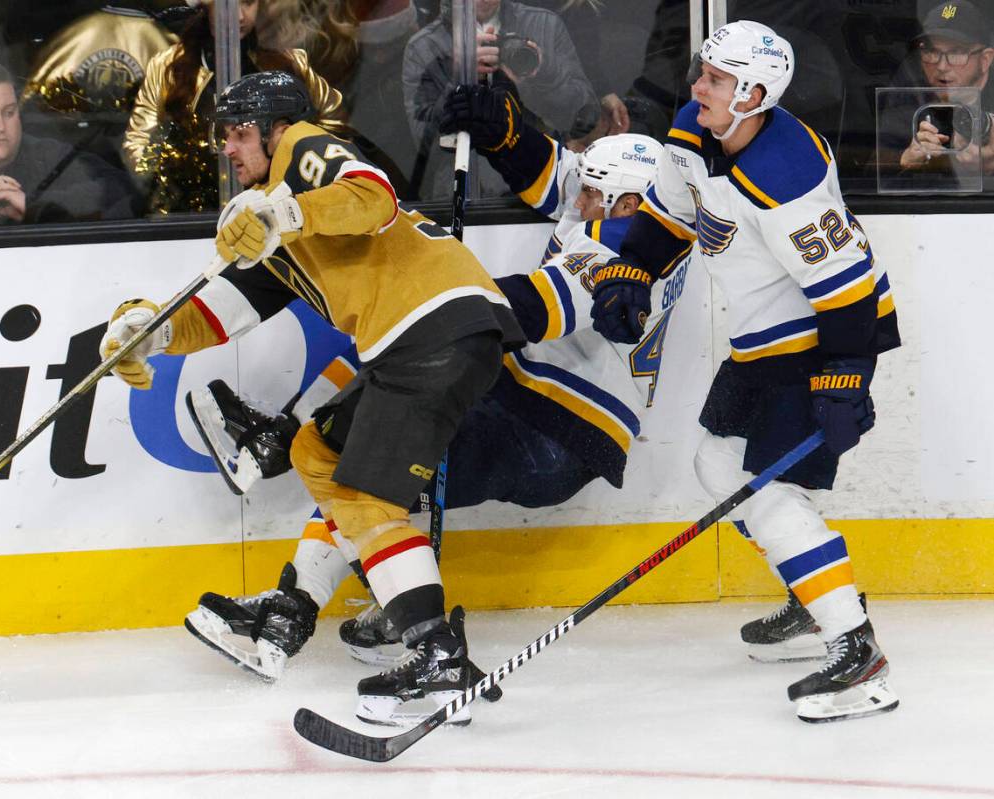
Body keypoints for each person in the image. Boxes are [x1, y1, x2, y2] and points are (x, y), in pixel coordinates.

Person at [182, 113, 682, 679]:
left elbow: (533, 309)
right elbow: (559, 177)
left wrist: (442, 286)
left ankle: (348, 617)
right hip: (542, 415)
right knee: (350, 461)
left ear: (626, 205)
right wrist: (501, 121)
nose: (580, 200)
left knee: (363, 463)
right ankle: (329, 606)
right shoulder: (629, 216)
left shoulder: (617, 247)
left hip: (550, 429)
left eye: (595, 194)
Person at [99, 70, 524, 726]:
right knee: (318, 449)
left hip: (430, 326)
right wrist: (146, 333)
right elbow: (219, 313)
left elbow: (371, 196)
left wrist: (284, 210)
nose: (229, 148)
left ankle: (435, 653)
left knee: (364, 498)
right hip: (432, 338)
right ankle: (334, 621)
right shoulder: (265, 221)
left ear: (275, 128)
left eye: (241, 133)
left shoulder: (302, 148)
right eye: (224, 137)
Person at [591, 21, 902, 723]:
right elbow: (672, 214)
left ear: (753, 93)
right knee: (717, 464)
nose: (696, 86)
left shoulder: (784, 176)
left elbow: (846, 286)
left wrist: (846, 374)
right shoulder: (695, 133)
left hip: (823, 339)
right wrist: (632, 267)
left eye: (714, 79)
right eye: (701, 71)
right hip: (761, 337)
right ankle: (812, 594)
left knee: (757, 485)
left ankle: (859, 654)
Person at [122, 0, 344, 212]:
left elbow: (333, 124)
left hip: (281, 207)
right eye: (224, 4)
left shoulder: (289, 63)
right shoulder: (168, 68)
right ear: (205, 5)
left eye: (248, 2)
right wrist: (171, 179)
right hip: (191, 214)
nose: (238, 16)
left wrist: (296, 170)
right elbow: (138, 142)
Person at [401, 0, 596, 199]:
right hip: (463, 200)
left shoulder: (545, 25)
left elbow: (582, 119)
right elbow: (426, 147)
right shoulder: (423, 47)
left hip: (540, 188)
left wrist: (542, 76)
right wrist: (460, 78)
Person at [0, 59, 138, 225]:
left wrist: (34, 206)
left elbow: (120, 187)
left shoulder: (48, 156)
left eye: (9, 112)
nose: (0, 126)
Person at [21, 1, 177, 173]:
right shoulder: (167, 43)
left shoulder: (73, 36)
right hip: (82, 171)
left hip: (75, 167)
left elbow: (32, 109)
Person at [891, 1, 994, 179]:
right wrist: (905, 163)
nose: (942, 65)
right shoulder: (906, 109)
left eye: (957, 52)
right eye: (931, 51)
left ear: (985, 60)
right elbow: (863, 175)